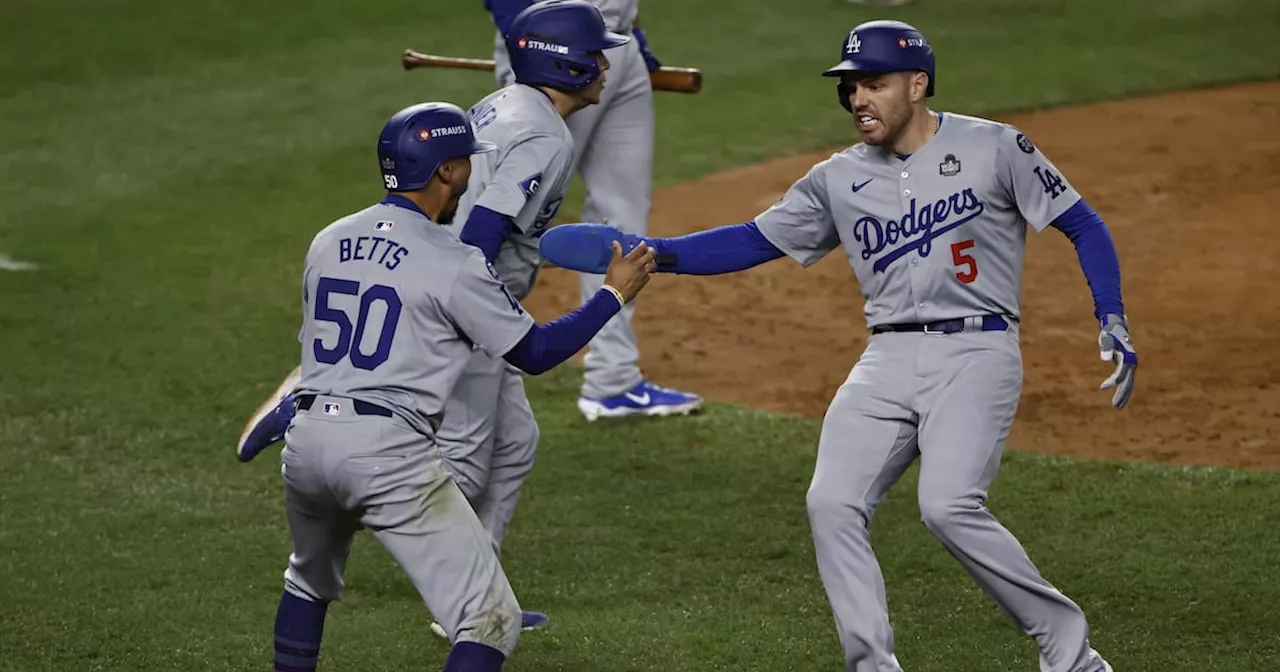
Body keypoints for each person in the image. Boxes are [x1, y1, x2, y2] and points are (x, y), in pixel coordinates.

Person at [537, 20, 1130, 672]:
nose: (858, 101)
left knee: (948, 506)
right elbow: (752, 240)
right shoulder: (836, 178)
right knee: (832, 502)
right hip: (886, 358)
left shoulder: (996, 148)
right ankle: (872, 665)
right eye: (850, 89)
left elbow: (1082, 223)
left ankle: (1072, 657)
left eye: (873, 85)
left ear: (918, 84)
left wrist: (1112, 315)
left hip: (977, 352)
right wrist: (658, 255)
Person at [241, 0, 643, 637]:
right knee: (459, 456)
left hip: (454, 292)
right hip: (462, 307)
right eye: (595, 56)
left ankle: (475, 591)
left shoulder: (503, 105)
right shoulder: (543, 134)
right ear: (564, 66)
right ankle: (452, 593)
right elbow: (477, 235)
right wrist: (472, 309)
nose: (604, 66)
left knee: (515, 445)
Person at [485, 0, 703, 421]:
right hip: (555, 49)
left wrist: (631, 34)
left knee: (622, 212)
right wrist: (523, 41)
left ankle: (612, 379)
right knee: (514, 219)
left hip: (614, 44)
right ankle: (460, 358)